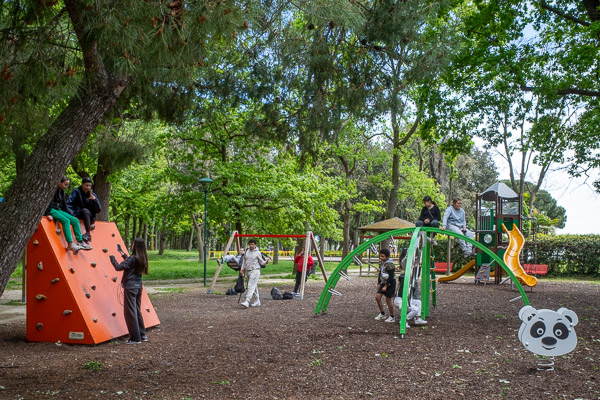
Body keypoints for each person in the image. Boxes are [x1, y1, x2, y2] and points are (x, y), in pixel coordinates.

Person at [109, 238, 149, 344]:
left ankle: (135, 338)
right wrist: (122, 253)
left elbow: (118, 267)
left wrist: (111, 257)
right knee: (136, 310)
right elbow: (130, 263)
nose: (132, 245)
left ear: (135, 246)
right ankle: (142, 334)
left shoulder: (133, 258)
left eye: (133, 244)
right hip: (138, 287)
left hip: (130, 287)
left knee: (130, 312)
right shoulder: (142, 257)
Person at [44, 176, 92, 253]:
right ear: (59, 182)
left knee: (75, 220)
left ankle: (80, 241)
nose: (66, 186)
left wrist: (69, 214)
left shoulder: (61, 191)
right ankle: (70, 244)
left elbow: (64, 204)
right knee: (66, 221)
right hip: (51, 209)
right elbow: (47, 202)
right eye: (65, 184)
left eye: (67, 185)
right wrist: (48, 213)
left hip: (58, 209)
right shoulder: (53, 190)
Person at [67, 176, 101, 242]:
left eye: (89, 186)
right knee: (84, 211)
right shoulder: (76, 192)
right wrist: (72, 215)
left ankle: (88, 234)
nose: (88, 187)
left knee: (85, 211)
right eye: (86, 185)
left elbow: (98, 210)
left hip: (89, 216)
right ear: (82, 184)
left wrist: (95, 200)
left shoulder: (93, 195)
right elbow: (68, 204)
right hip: (77, 214)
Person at [240, 239, 270, 308]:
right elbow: (244, 261)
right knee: (254, 286)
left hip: (255, 271)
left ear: (255, 245)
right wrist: (242, 268)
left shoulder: (258, 253)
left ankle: (247, 300)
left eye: (252, 244)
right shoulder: (247, 251)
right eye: (250, 244)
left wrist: (266, 262)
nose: (251, 245)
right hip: (248, 271)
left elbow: (261, 262)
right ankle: (257, 301)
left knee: (250, 286)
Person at [374, 248, 396, 323]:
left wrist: (386, 286)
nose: (381, 258)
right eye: (380, 256)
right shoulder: (382, 263)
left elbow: (391, 276)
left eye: (383, 256)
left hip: (390, 283)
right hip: (383, 282)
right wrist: (379, 283)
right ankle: (382, 313)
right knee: (377, 297)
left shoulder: (390, 264)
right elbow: (380, 273)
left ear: (387, 257)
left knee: (388, 300)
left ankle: (392, 316)